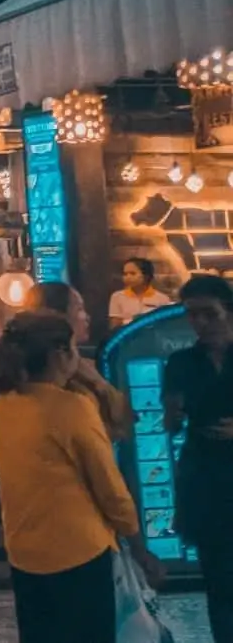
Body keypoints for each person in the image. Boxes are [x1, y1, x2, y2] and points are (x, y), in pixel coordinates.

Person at [0, 310, 155, 643]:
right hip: (78, 552)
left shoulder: (6, 403)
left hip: (25, 552)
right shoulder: (71, 408)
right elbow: (109, 487)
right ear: (60, 354)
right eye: (74, 349)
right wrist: (138, 546)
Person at [167, 274, 233, 639]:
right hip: (206, 480)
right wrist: (171, 416)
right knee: (219, 580)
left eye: (209, 314)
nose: (200, 324)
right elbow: (172, 419)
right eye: (192, 315)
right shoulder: (182, 362)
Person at [25, 283, 135, 440]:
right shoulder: (63, 376)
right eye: (79, 309)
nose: (87, 317)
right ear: (57, 317)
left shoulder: (21, 375)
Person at [109, 257, 172, 329]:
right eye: (125, 274)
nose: (128, 277)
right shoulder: (117, 297)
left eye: (133, 273)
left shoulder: (162, 299)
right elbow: (115, 326)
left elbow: (166, 325)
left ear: (146, 276)